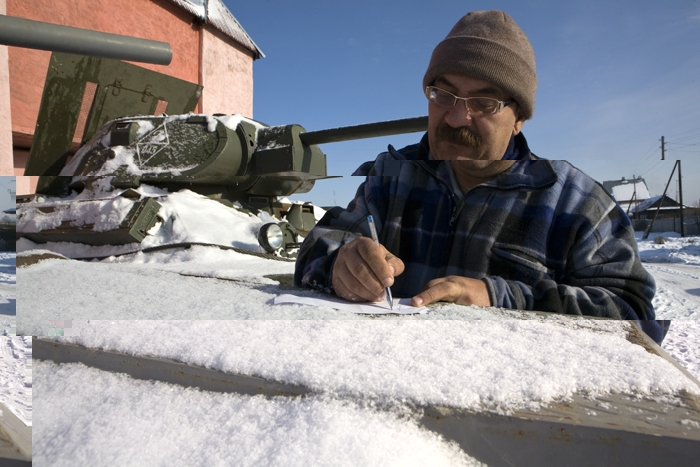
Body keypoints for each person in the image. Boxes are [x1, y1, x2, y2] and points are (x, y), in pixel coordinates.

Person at [294, 10, 669, 344]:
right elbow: (314, 249)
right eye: (444, 94)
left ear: (519, 117)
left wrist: (504, 299)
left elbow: (640, 322)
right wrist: (339, 262)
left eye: (484, 103)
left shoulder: (577, 203)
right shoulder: (393, 175)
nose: (457, 118)